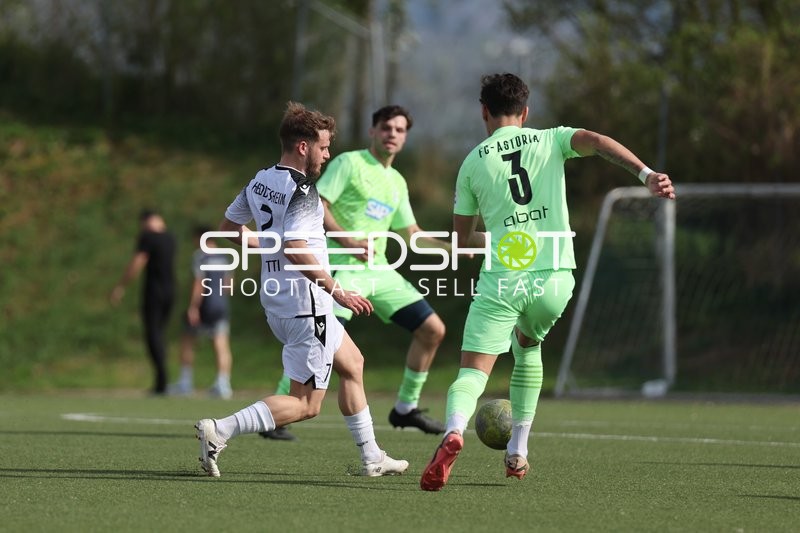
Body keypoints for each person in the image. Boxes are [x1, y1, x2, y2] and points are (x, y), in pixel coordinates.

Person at [419, 73, 675, 491]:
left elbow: (464, 242)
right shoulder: (550, 139)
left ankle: (453, 432)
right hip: (555, 279)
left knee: (473, 372)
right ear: (526, 111)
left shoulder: (471, 163)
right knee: (528, 345)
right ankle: (517, 450)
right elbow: (595, 139)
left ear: (483, 111)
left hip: (503, 279)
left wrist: (493, 238)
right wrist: (644, 173)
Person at [195, 101, 408, 477]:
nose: (327, 154)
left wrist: (266, 243)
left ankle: (372, 456)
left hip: (280, 300)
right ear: (303, 147)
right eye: (324, 147)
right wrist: (336, 290)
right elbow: (296, 247)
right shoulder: (303, 190)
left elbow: (229, 230)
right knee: (306, 404)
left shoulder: (259, 180)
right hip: (308, 303)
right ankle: (221, 429)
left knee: (353, 364)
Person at [316, 105, 447, 434]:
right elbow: (318, 204)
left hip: (380, 273)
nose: (392, 134)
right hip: (342, 269)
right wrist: (347, 241)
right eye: (386, 127)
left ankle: (406, 408)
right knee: (322, 339)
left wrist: (454, 248)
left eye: (400, 130)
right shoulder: (349, 162)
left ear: (405, 138)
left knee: (433, 330)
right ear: (373, 131)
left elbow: (413, 236)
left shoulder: (397, 182)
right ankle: (285, 401)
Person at [110, 209, 177, 395]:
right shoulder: (170, 238)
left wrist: (121, 285)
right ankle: (162, 379)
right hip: (171, 290)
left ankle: (161, 380)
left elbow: (138, 262)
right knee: (160, 333)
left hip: (154, 292)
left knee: (153, 334)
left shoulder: (147, 237)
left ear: (146, 221)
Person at [167, 226, 234, 399]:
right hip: (220, 305)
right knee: (221, 345)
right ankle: (223, 384)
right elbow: (229, 284)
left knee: (188, 340)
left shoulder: (200, 255)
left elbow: (199, 282)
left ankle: (185, 382)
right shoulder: (225, 256)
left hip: (205, 305)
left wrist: (193, 307)